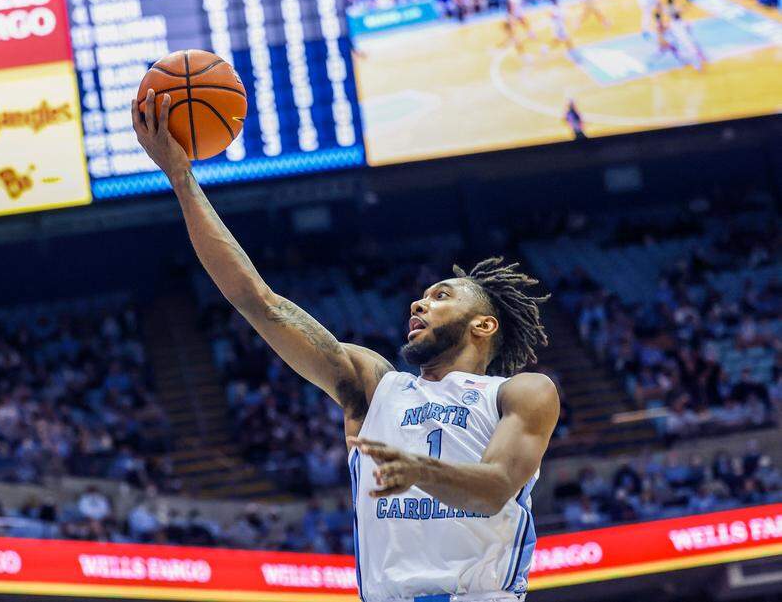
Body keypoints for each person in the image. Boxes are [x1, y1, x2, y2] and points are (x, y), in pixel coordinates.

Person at [133, 92, 559, 601]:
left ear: (484, 326)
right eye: (420, 298)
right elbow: (258, 301)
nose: (419, 305)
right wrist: (181, 179)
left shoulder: (521, 393)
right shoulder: (375, 387)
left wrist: (419, 470)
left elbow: (494, 488)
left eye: (440, 296)